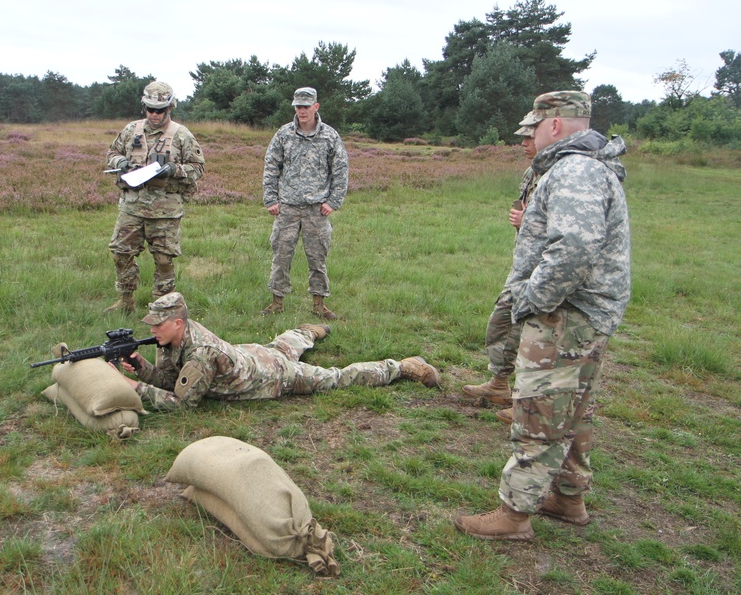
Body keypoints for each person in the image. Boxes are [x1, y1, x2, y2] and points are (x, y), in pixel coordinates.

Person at [454, 91, 630, 541]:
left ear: (554, 126)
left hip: (565, 314)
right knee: (573, 408)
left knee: (539, 410)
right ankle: (568, 497)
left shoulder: (575, 170)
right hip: (582, 312)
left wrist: (531, 298)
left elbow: (573, 247)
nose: (528, 134)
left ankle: (514, 515)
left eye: (533, 126)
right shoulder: (587, 166)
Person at [120, 292, 441, 411]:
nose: (152, 330)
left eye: (158, 324)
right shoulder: (171, 338)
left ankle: (401, 367)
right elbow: (169, 378)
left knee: (333, 378)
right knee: (280, 348)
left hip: (272, 377)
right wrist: (142, 366)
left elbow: (182, 404)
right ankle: (305, 332)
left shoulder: (200, 353)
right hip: (251, 355)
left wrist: (136, 388)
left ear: (178, 323)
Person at [462, 124, 541, 425]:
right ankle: (499, 384)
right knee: (503, 320)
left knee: (537, 334)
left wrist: (528, 220)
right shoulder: (533, 172)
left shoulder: (563, 175)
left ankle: (530, 404)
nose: (523, 142)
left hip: (546, 270)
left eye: (529, 136)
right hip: (524, 264)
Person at [104, 81, 205, 314]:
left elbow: (197, 168)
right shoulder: (131, 130)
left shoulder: (181, 135)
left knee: (163, 260)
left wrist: (174, 170)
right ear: (144, 107)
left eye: (160, 110)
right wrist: (119, 162)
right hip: (132, 206)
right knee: (121, 252)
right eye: (150, 109)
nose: (155, 114)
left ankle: (163, 307)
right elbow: (112, 153)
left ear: (170, 108)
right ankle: (126, 300)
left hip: (165, 210)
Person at [261, 87, 349, 320]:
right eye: (298, 106)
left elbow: (340, 170)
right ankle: (277, 303)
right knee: (281, 256)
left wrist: (333, 201)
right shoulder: (283, 134)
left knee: (317, 258)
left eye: (306, 106)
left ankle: (319, 305)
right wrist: (271, 199)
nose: (301, 111)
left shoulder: (330, 136)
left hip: (316, 210)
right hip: (287, 208)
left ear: (316, 107)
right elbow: (271, 166)